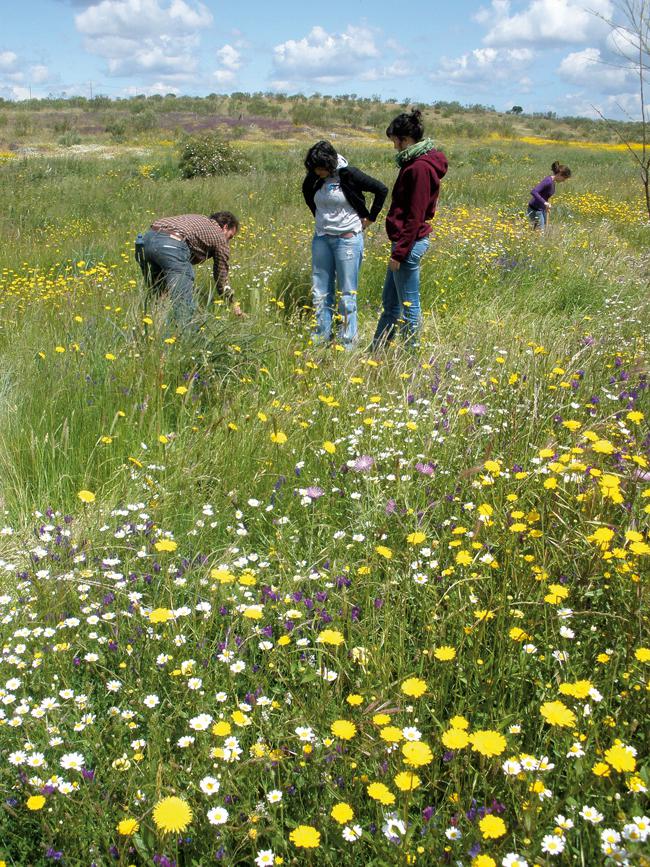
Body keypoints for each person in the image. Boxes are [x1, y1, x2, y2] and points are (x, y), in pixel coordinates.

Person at [371, 109, 447, 351]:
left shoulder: (419, 168)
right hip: (406, 244)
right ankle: (377, 350)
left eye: (395, 141)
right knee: (391, 303)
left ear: (405, 139)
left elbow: (415, 215)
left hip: (408, 244)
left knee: (408, 304)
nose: (394, 147)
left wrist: (399, 252)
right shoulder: (417, 163)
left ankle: (410, 354)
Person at [302, 140, 387, 348]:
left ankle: (347, 342)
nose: (317, 172)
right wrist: (321, 217)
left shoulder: (349, 174)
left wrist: (370, 218)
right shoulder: (314, 177)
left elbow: (381, 189)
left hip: (347, 239)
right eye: (314, 169)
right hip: (322, 238)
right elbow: (307, 192)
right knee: (320, 291)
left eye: (321, 168)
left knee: (347, 293)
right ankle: (320, 338)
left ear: (330, 163)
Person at [134, 211, 241, 326]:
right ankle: (184, 335)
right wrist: (232, 303)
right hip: (171, 244)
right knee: (183, 302)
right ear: (225, 227)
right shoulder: (219, 236)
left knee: (159, 295)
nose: (228, 241)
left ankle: (154, 328)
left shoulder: (199, 220)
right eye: (230, 237)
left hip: (146, 241)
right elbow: (221, 275)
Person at [527, 162, 571, 230]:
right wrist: (544, 203)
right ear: (559, 174)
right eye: (564, 178)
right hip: (535, 209)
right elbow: (534, 192)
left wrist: (546, 205)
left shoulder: (553, 182)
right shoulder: (548, 181)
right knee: (540, 232)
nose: (564, 181)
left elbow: (545, 195)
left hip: (542, 209)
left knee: (542, 230)